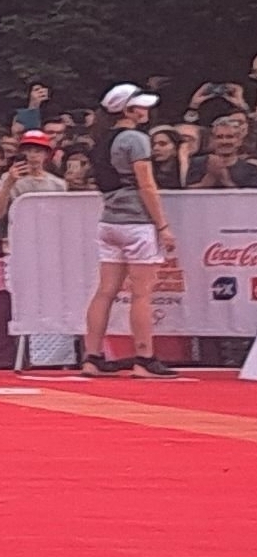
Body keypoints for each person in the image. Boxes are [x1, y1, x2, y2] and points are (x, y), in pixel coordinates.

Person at [81, 84, 179, 378]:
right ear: (128, 110)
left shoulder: (100, 140)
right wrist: (163, 225)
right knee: (141, 294)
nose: (146, 111)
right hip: (137, 223)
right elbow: (146, 184)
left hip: (109, 220)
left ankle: (93, 357)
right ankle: (144, 358)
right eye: (141, 106)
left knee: (105, 291)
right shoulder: (136, 139)